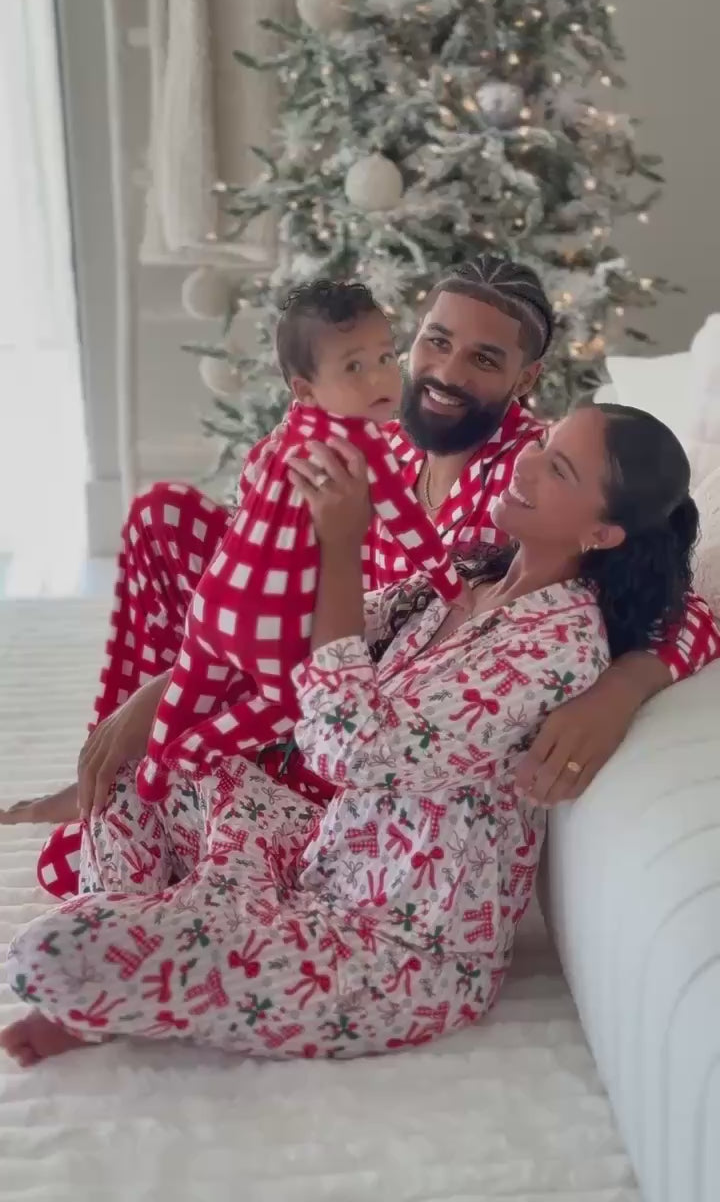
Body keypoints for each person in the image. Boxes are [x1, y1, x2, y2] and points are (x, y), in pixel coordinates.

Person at [0, 401, 700, 1066]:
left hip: (396, 949)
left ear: (602, 534)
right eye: (545, 444)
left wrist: (341, 545)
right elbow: (301, 627)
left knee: (43, 957)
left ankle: (118, 965)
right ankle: (126, 965)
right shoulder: (463, 580)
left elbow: (345, 747)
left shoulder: (559, 646)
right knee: (144, 767)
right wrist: (163, 693)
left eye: (559, 470)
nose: (527, 464)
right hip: (319, 859)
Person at [2, 255, 718, 896]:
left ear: (526, 378)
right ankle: (122, 775)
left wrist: (622, 688)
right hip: (293, 661)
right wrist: (158, 695)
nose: (447, 373)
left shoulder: (532, 477)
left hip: (352, 740)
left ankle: (169, 804)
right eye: (437, 342)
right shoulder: (380, 436)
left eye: (484, 359)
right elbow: (265, 577)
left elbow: (687, 603)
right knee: (166, 519)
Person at [135, 279, 463, 805]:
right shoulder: (365, 446)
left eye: (385, 357)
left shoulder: (289, 429)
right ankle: (190, 754)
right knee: (292, 702)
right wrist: (450, 584)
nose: (381, 377)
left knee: (188, 687)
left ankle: (153, 770)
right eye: (354, 367)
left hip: (214, 600)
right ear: (305, 389)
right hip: (267, 626)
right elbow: (409, 524)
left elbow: (249, 491)